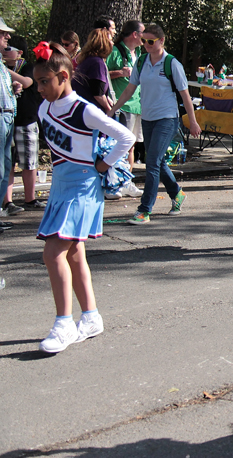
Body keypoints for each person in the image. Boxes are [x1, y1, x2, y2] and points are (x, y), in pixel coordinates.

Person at [32, 41, 135, 353]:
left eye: (44, 81)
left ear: (63, 77)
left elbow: (125, 137)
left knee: (53, 254)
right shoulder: (43, 109)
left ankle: (63, 323)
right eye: (37, 82)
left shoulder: (84, 110)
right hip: (61, 187)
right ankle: (90, 317)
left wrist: (103, 164)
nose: (39, 88)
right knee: (74, 251)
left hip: (83, 189)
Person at [108, 24, 201, 225]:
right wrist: (113, 108)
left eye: (151, 41)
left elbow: (185, 95)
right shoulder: (141, 62)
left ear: (161, 41)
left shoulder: (171, 63)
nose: (146, 45)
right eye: (144, 41)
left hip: (167, 118)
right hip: (148, 118)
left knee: (151, 162)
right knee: (157, 162)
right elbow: (129, 89)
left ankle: (144, 210)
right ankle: (177, 193)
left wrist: (192, 121)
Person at [3, 38, 45, 210]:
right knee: (8, 163)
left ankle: (30, 198)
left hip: (26, 121)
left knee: (29, 162)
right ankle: (8, 201)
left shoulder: (28, 67)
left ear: (19, 52)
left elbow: (27, 82)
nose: (4, 51)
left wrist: (4, 70)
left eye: (8, 48)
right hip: (7, 121)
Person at [107, 20, 145, 197]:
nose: (145, 37)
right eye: (143, 33)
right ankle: (113, 183)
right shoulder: (115, 51)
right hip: (124, 106)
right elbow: (101, 73)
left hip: (137, 104)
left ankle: (127, 182)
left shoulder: (138, 52)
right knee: (120, 145)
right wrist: (120, 73)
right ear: (134, 34)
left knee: (131, 146)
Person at [0, 19, 24, 219]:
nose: (7, 37)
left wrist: (13, 89)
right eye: (3, 33)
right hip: (1, 116)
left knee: (5, 167)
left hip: (7, 116)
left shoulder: (1, 63)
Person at [72, 29, 115, 114]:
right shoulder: (97, 63)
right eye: (110, 40)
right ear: (103, 43)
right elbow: (98, 94)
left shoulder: (88, 59)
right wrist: (109, 109)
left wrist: (107, 98)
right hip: (88, 112)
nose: (113, 43)